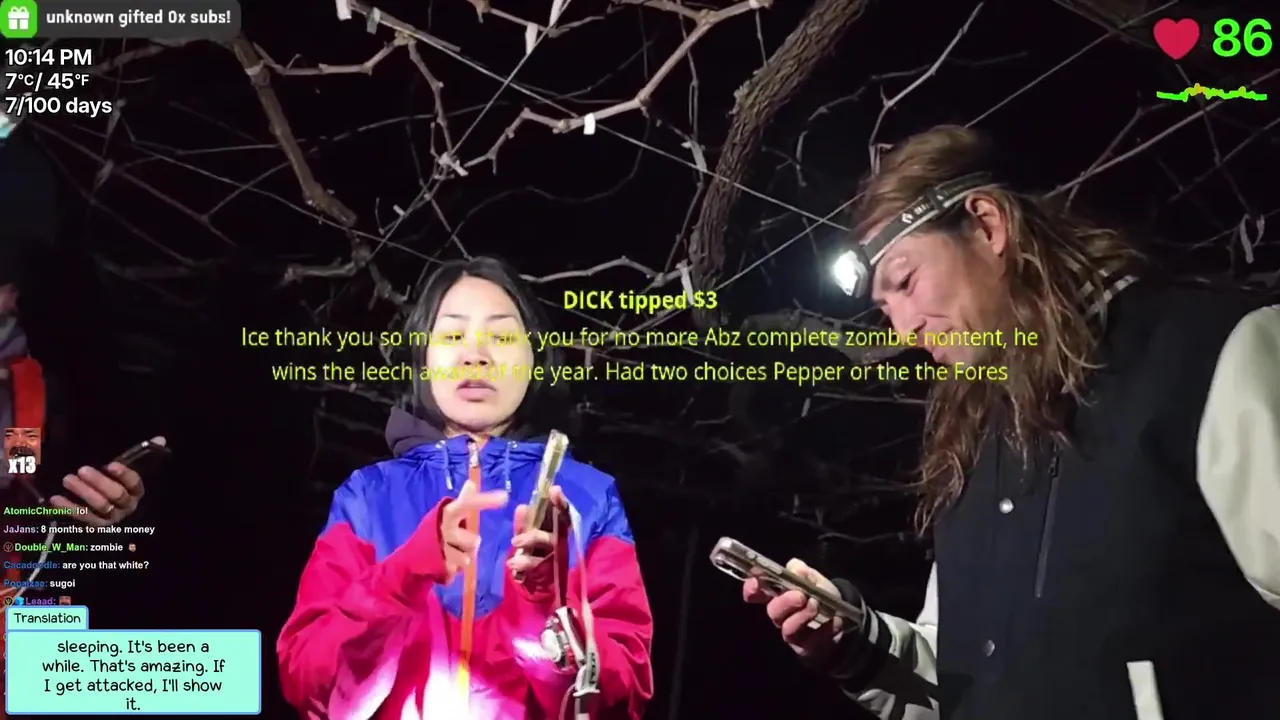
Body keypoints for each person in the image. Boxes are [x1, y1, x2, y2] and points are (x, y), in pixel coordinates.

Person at [745, 126, 1280, 720]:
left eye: (906, 282)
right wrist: (857, 644)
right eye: (885, 308)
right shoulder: (973, 442)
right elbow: (969, 677)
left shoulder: (1210, 350)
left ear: (987, 225)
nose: (903, 329)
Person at [278, 257, 655, 720]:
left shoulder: (588, 500)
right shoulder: (367, 497)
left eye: (501, 337)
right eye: (453, 336)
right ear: (423, 357)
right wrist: (401, 578)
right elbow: (308, 682)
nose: (476, 355)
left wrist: (544, 611)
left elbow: (619, 701)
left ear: (536, 358)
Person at [0, 121, 161, 720]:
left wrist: (92, 518)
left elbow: (38, 512)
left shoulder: (39, 387)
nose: (10, 297)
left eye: (15, 280)